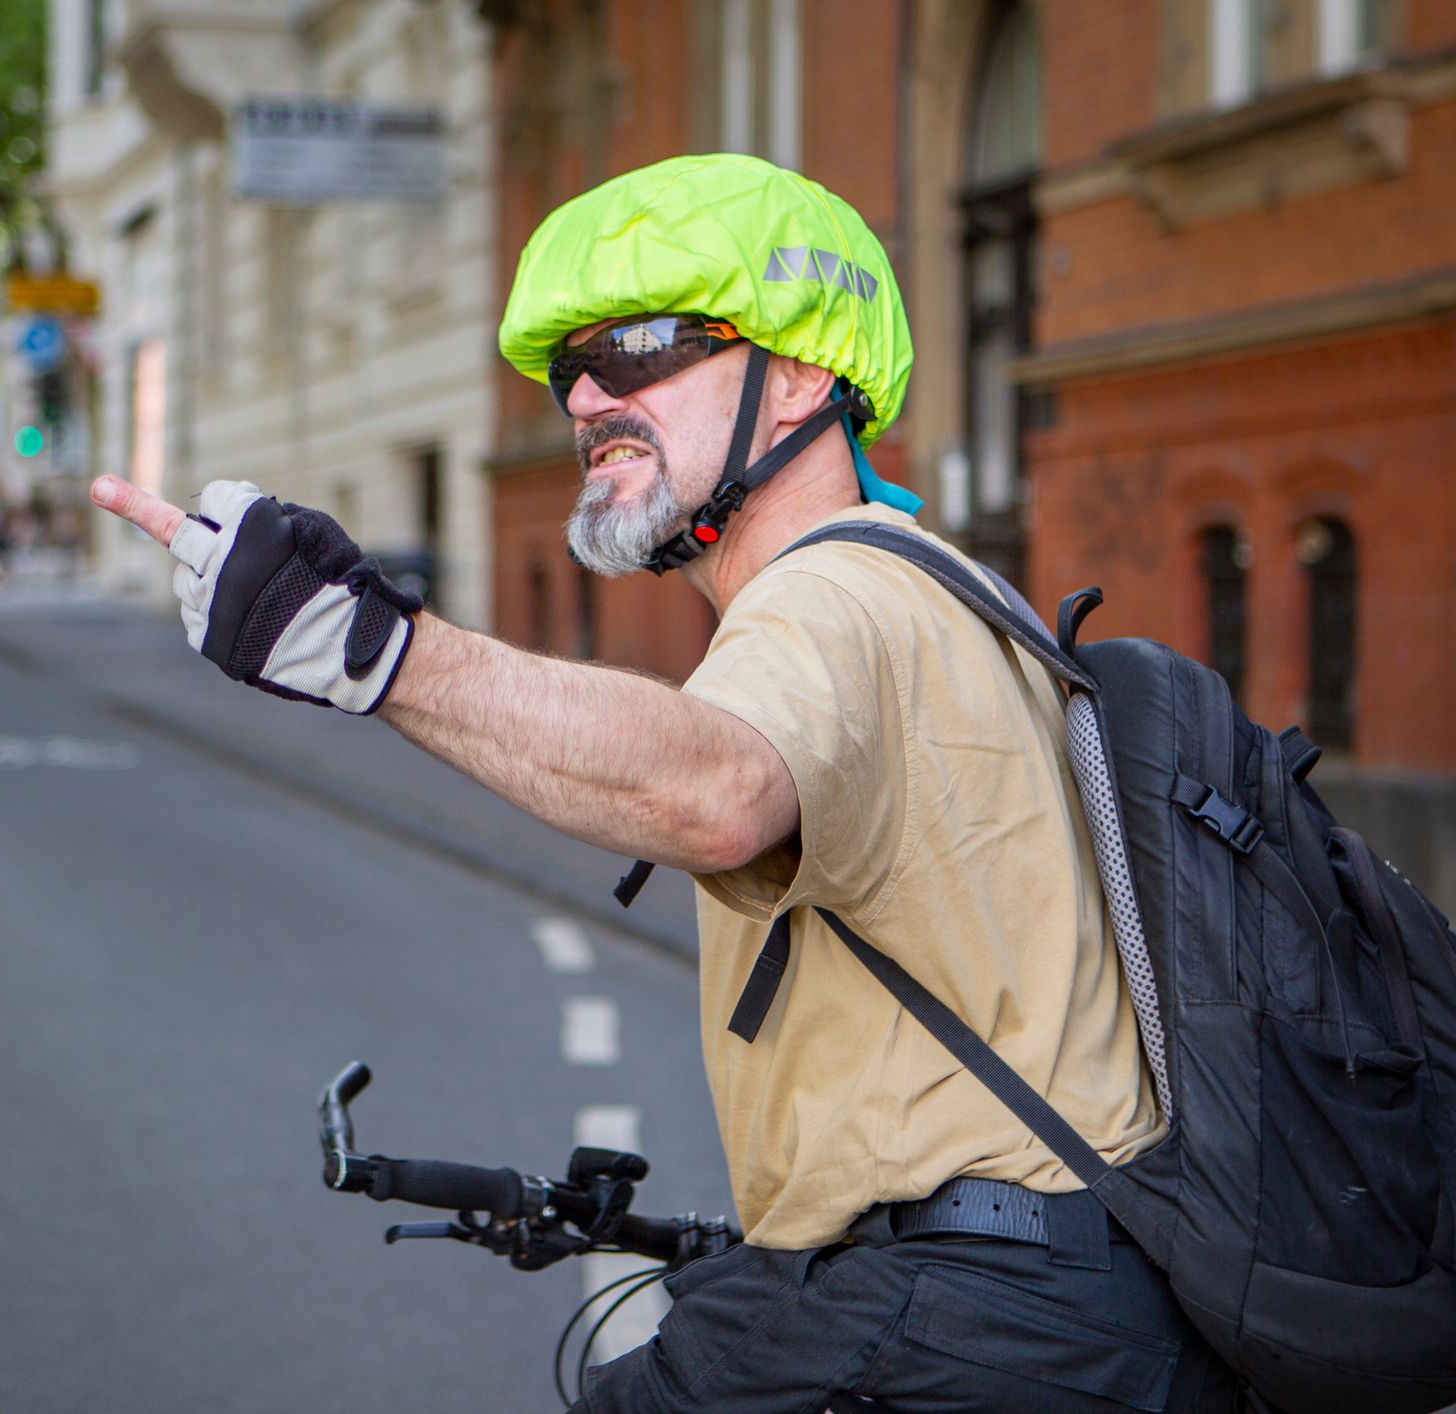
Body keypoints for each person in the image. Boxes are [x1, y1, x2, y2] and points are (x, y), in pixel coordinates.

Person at [92, 154, 1237, 1411]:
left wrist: (373, 650)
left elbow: (715, 789)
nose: (587, 395)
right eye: (565, 369)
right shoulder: (939, 588)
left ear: (800, 374)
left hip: (962, 1316)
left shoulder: (832, 590)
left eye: (638, 347)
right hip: (1055, 1298)